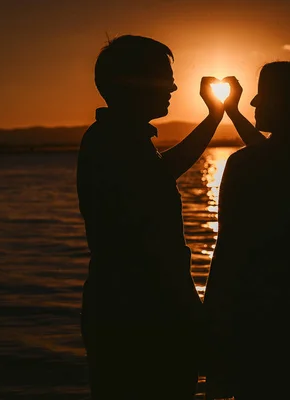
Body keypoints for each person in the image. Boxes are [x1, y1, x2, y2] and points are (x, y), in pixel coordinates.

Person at [76, 35, 224, 400]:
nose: (174, 85)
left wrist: (214, 117)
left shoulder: (115, 139)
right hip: (144, 318)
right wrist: (193, 315)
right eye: (165, 77)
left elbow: (163, 171)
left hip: (124, 311)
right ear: (134, 83)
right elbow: (151, 251)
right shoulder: (115, 144)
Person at [203, 61, 290, 400]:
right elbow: (280, 158)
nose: (253, 103)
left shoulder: (243, 166)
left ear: (287, 103)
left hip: (258, 308)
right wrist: (235, 114)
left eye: (261, 96)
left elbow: (227, 253)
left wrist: (212, 329)